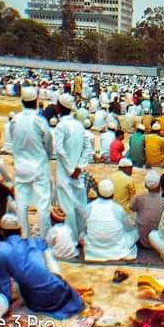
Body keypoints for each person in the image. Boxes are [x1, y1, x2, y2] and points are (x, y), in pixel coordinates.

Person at [0, 214, 84, 318]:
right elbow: (49, 259)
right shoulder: (35, 242)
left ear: (1, 232)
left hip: (38, 302)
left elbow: (4, 284)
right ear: (20, 230)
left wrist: (6, 305)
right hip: (60, 292)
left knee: (20, 284)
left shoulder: (1, 252)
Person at [8, 89, 54, 236]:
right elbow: (48, 142)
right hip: (39, 166)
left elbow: (14, 142)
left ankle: (24, 235)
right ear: (35, 102)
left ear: (22, 101)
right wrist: (46, 156)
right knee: (42, 205)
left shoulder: (14, 120)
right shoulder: (39, 121)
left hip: (21, 166)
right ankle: (44, 237)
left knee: (21, 204)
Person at [53, 92, 92, 242]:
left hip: (65, 174)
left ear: (59, 107)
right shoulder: (79, 125)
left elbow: (60, 150)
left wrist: (71, 169)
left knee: (67, 208)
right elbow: (87, 148)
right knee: (80, 207)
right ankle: (82, 237)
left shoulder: (61, 126)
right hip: (78, 174)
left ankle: (71, 240)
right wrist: (80, 167)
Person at [83, 179, 138, 261]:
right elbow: (128, 228)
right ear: (112, 195)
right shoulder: (118, 208)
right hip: (116, 249)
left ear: (97, 193)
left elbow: (84, 228)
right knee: (135, 232)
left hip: (93, 250)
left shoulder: (89, 207)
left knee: (83, 235)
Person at [131, 170, 164, 248]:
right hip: (159, 241)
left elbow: (132, 207)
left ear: (145, 185)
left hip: (142, 240)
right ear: (160, 185)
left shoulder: (139, 198)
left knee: (137, 213)